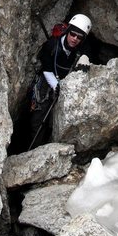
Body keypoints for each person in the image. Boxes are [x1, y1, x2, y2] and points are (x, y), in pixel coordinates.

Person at [26, 13, 92, 150]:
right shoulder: (51, 46)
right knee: (38, 120)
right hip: (47, 82)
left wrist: (85, 56)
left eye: (79, 37)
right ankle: (34, 149)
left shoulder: (81, 48)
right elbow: (46, 69)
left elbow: (90, 48)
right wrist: (57, 86)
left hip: (64, 83)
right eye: (73, 34)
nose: (75, 39)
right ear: (68, 31)